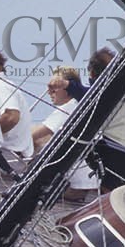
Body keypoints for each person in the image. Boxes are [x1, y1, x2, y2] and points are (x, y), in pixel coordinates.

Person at [31, 68, 99, 200]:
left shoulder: (70, 106)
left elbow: (31, 136)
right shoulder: (80, 105)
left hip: (76, 188)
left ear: (67, 86)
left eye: (54, 87)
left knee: (35, 144)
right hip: (89, 184)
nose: (49, 92)